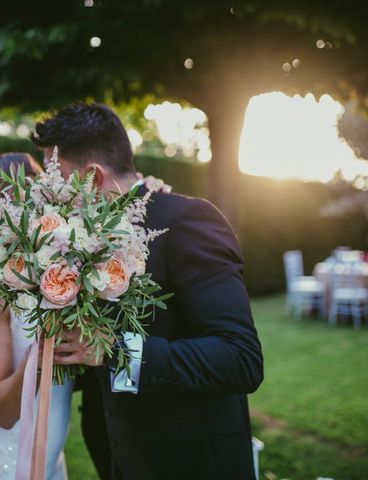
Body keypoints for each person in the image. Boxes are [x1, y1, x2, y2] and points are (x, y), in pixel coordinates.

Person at [32, 102, 264, 479]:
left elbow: (240, 358)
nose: (51, 193)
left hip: (190, 464)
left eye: (58, 180)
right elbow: (93, 357)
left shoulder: (186, 222)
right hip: (117, 460)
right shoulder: (82, 240)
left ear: (91, 177)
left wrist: (113, 350)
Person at [0, 152, 76, 480]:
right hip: (3, 466)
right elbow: (3, 412)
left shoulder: (61, 273)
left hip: (51, 461)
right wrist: (38, 353)